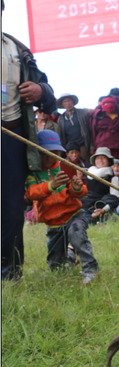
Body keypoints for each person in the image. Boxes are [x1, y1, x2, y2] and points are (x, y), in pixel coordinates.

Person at [2, 0, 57, 281]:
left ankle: (9, 274)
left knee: (11, 207)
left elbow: (49, 93)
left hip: (11, 138)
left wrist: (39, 90)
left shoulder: (17, 49)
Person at [24, 130, 99, 284]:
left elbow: (79, 191)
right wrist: (51, 185)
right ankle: (70, 258)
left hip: (73, 215)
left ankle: (91, 270)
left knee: (77, 236)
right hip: (53, 223)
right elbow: (32, 193)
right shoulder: (33, 172)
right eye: (47, 153)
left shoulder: (65, 167)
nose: (52, 156)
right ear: (37, 152)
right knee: (55, 265)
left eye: (56, 152)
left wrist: (77, 188)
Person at [80, 147, 119, 223]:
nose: (100, 160)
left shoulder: (114, 178)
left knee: (111, 218)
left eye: (103, 157)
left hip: (104, 207)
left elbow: (114, 198)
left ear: (109, 160)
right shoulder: (90, 173)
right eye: (98, 158)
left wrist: (103, 210)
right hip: (88, 206)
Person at [56, 93, 93, 165]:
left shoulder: (83, 113)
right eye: (65, 101)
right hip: (69, 148)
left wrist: (91, 146)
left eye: (69, 100)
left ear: (72, 101)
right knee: (70, 167)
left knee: (84, 165)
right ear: (62, 104)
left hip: (83, 146)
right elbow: (61, 136)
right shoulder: (61, 119)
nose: (68, 103)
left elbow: (91, 129)